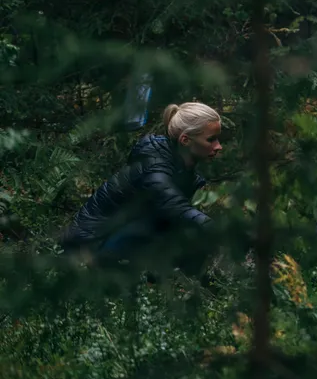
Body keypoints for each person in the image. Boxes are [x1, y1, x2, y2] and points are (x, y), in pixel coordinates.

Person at [61, 101, 222, 270]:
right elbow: (172, 204)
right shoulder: (153, 165)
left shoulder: (183, 172)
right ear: (185, 140)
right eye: (211, 139)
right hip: (90, 246)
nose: (218, 146)